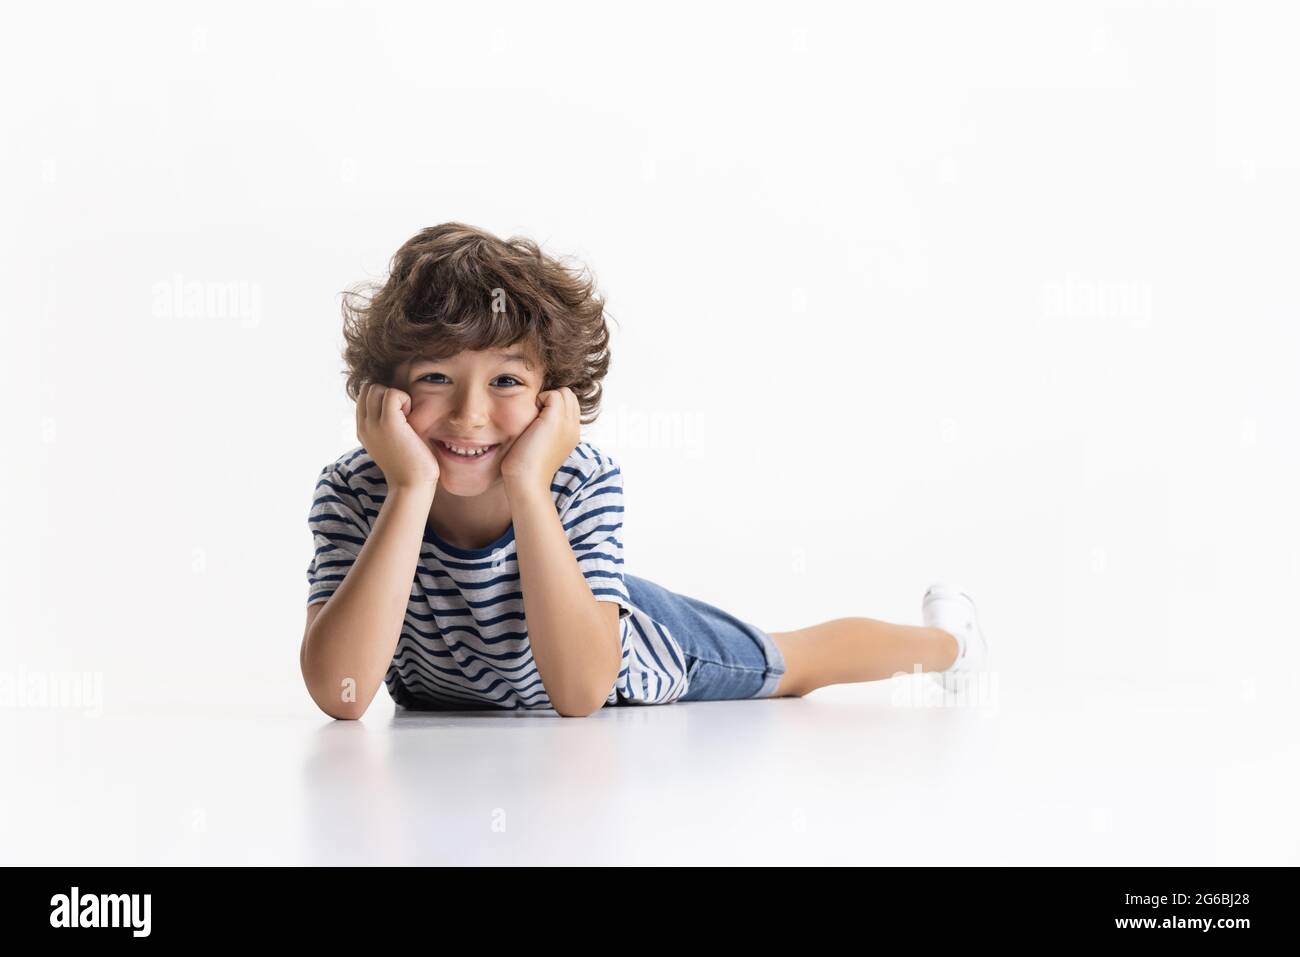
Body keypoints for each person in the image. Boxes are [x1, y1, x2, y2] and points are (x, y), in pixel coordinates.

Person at [300, 223, 989, 719]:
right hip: (478, 669)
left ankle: (953, 643)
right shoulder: (357, 491)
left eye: (506, 380)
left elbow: (579, 693)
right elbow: (342, 692)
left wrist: (529, 487)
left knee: (794, 665)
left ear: (554, 399)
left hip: (626, 648)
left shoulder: (576, 482)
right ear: (382, 391)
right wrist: (410, 489)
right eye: (435, 376)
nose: (470, 414)